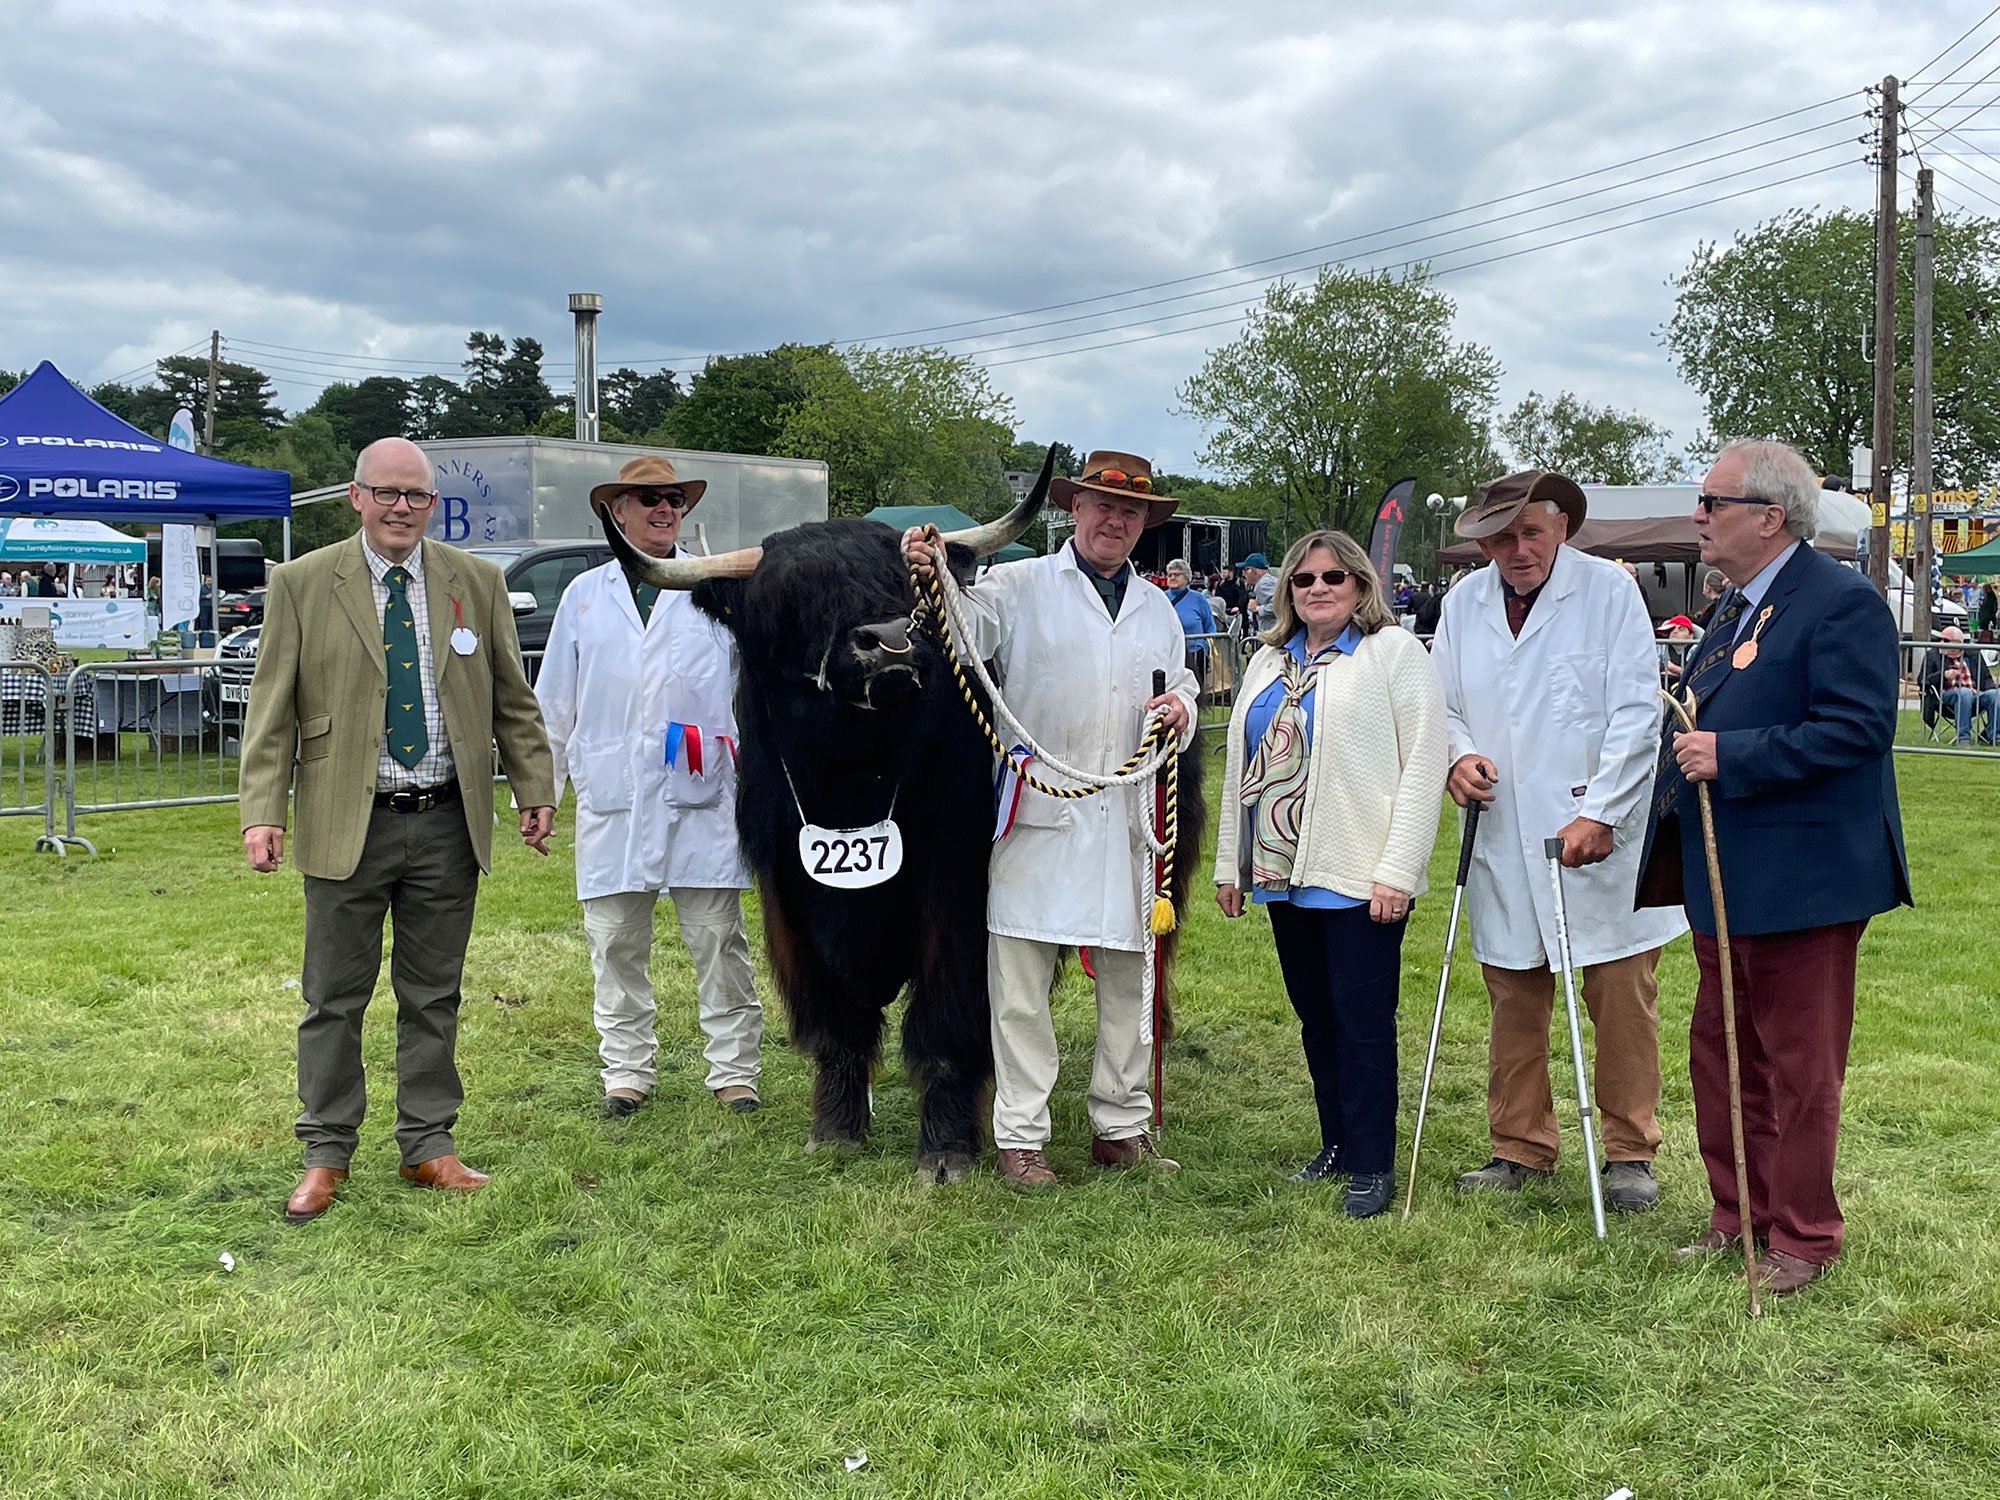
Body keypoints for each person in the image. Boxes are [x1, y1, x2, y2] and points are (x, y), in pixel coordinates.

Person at [240, 436, 556, 1224]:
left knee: (433, 995)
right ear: (356, 497)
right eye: (387, 494)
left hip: (446, 823)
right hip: (346, 824)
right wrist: (262, 811)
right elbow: (270, 710)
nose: (402, 509)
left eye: (416, 496)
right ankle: (325, 1152)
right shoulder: (303, 583)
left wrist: (533, 788)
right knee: (331, 999)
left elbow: (512, 699)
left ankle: (427, 1144)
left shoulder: (473, 583)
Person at [1638, 438, 1911, 1295]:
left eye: (1712, 503)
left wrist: (1735, 754)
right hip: (1727, 876)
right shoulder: (1732, 607)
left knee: (1798, 1065)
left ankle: (1805, 1235)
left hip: (1806, 878)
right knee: (1722, 1055)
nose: (1699, 517)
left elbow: (1860, 728)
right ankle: (1739, 1218)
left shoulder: (1841, 602)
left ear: (1768, 515)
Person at [902, 449, 1198, 1188]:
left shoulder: (1158, 608)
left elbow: (1186, 680)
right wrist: (936, 568)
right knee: (1021, 988)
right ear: (1074, 510)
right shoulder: (1019, 583)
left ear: (1144, 524)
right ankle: (1022, 1136)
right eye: (1102, 505)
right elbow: (962, 627)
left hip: (1128, 822)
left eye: (1130, 511)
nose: (1115, 521)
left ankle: (1120, 1124)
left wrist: (1182, 709)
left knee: (1130, 982)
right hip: (1039, 813)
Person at [1431, 470, 1687, 1214]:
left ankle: (1630, 1151)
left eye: (1530, 533)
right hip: (1502, 825)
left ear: (1562, 528)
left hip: (1597, 831)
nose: (1517, 549)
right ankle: (1518, 1147)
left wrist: (1603, 811)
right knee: (1513, 991)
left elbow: (1640, 712)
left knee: (1620, 996)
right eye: (1501, 537)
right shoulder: (1461, 603)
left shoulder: (1608, 594)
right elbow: (1441, 703)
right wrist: (1456, 755)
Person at [1213, 530, 1446, 1216]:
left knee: (1362, 1020)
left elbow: (1424, 766)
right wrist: (1233, 863)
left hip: (1360, 875)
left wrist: (1398, 871)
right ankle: (1336, 1144)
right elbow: (1237, 769)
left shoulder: (1392, 654)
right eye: (1305, 579)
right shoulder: (1264, 661)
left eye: (1334, 578)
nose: (1318, 589)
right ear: (1287, 590)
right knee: (1317, 1019)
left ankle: (1372, 1163)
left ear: (1360, 587)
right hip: (1284, 874)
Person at [536, 456, 764, 1118]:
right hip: (614, 792)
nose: (666, 509)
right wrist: (542, 794)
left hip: (702, 794)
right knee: (614, 941)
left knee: (718, 940)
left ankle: (734, 1071)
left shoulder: (720, 588)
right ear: (618, 511)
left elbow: (750, 691)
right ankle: (627, 1072)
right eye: (649, 499)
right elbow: (553, 701)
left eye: (674, 500)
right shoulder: (584, 596)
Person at [1919, 625, 1998, 745]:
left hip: (1975, 696)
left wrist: (1993, 689)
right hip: (1945, 698)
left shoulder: (1973, 654)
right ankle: (1963, 738)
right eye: (1940, 639)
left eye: (1946, 640)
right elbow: (1923, 680)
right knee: (1964, 693)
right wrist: (1943, 675)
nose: (1941, 643)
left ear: (1958, 643)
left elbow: (1987, 679)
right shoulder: (1933, 656)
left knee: (1994, 694)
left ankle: (1993, 735)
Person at [1162, 558, 1215, 693]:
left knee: (1194, 691)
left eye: (1177, 574)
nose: (1172, 577)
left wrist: (1206, 648)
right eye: (1170, 574)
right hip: (1168, 653)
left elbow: (1210, 626)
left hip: (1195, 652)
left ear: (1186, 577)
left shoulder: (1198, 598)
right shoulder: (1161, 597)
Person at [1241, 553, 1278, 635]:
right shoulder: (1264, 582)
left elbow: (1278, 606)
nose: (1243, 574)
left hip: (1272, 632)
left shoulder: (1264, 583)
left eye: (1246, 570)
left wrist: (1257, 608)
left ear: (1258, 571)